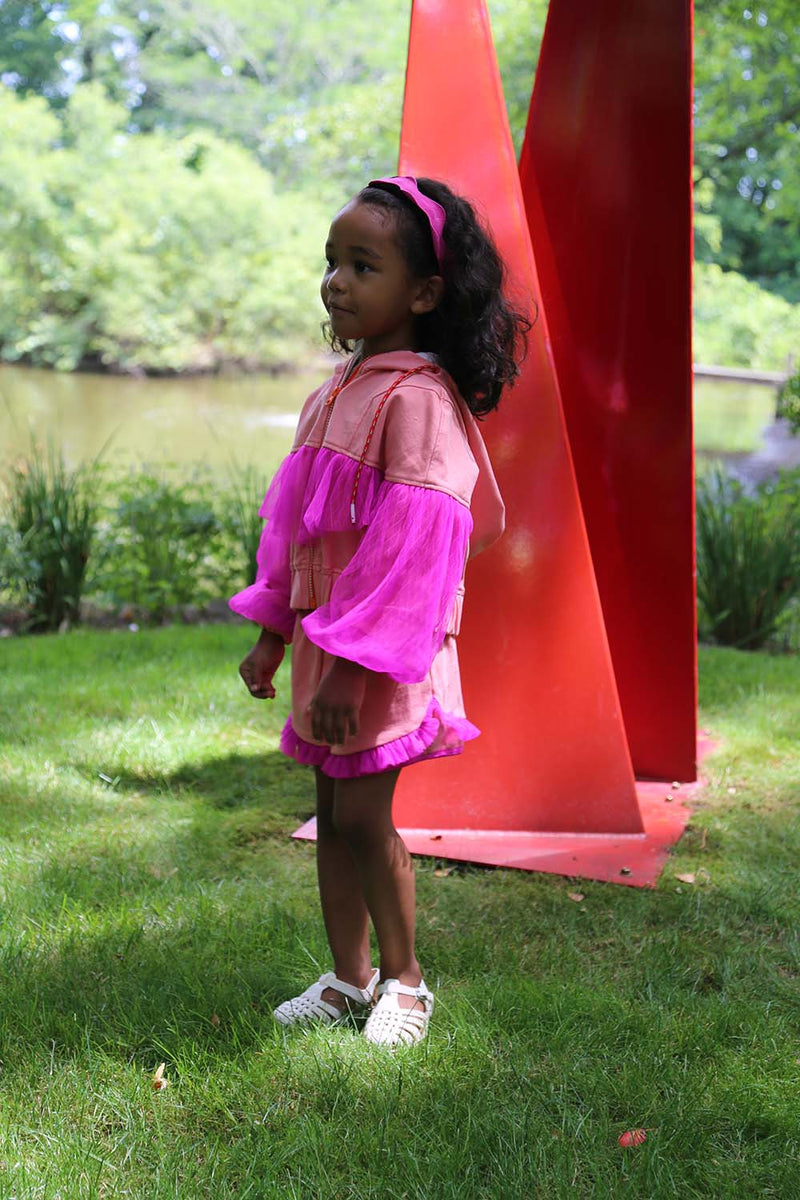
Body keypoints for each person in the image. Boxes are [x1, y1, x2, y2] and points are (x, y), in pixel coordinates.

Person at [230, 176, 529, 1048]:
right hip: (326, 642)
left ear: (424, 293)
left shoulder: (418, 401)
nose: (337, 281)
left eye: (364, 265)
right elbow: (295, 529)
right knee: (333, 813)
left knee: (364, 817)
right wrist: (273, 633)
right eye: (332, 262)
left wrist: (354, 673)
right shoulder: (336, 391)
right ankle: (348, 978)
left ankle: (407, 981)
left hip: (381, 652)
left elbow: (414, 557)